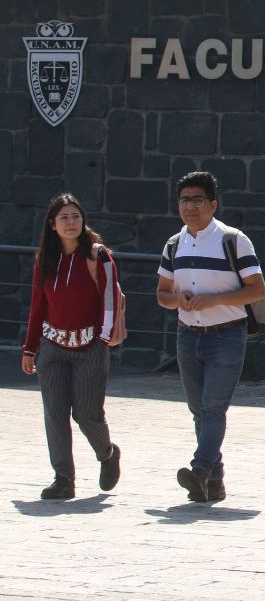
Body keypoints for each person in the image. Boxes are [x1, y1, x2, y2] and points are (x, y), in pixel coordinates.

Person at [155, 171, 265, 503]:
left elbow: (256, 289)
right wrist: (179, 301)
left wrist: (215, 299)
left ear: (212, 204)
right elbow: (162, 293)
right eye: (185, 200)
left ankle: (200, 469)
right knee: (199, 411)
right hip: (188, 336)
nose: (190, 206)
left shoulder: (233, 239)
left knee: (213, 408)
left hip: (226, 336)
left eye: (197, 200)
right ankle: (213, 482)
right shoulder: (174, 244)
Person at [20, 193, 123, 500]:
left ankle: (107, 454)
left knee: (87, 413)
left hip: (90, 346)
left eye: (75, 216)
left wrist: (102, 338)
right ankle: (63, 478)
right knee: (54, 413)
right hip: (53, 348)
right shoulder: (45, 260)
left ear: (83, 220)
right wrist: (29, 348)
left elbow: (110, 299)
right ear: (52, 224)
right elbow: (38, 306)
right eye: (63, 217)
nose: (70, 222)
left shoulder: (98, 255)